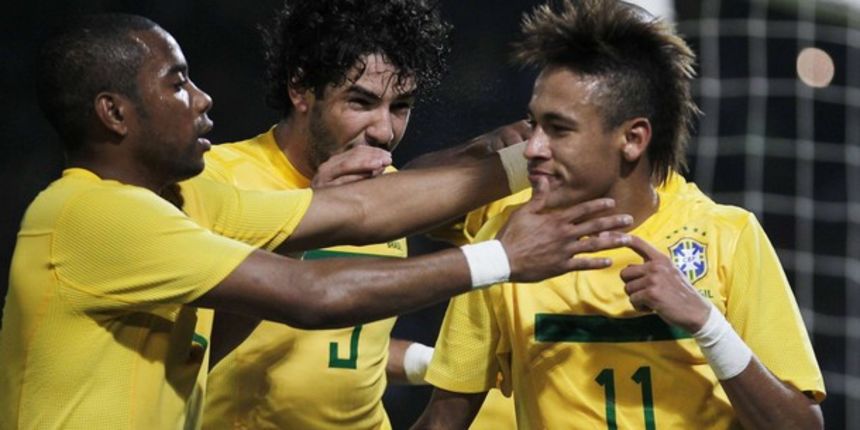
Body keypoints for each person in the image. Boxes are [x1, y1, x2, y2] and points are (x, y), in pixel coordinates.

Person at [0, 13, 636, 429]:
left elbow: (357, 211)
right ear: (115, 113)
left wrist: (530, 159)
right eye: (178, 83)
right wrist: (500, 258)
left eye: (401, 106)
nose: (203, 98)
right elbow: (312, 296)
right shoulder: (97, 214)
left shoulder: (187, 202)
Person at [412, 1, 826, 429]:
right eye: (533, 124)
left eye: (559, 129)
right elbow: (444, 420)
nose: (531, 147)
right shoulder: (510, 239)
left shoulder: (726, 236)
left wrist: (708, 326)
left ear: (632, 139)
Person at [199, 1, 520, 429]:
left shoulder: (388, 189)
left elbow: (344, 350)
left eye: (400, 106)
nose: (384, 131)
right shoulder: (218, 182)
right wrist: (307, 220)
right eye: (360, 102)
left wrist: (425, 362)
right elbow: (194, 351)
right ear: (300, 89)